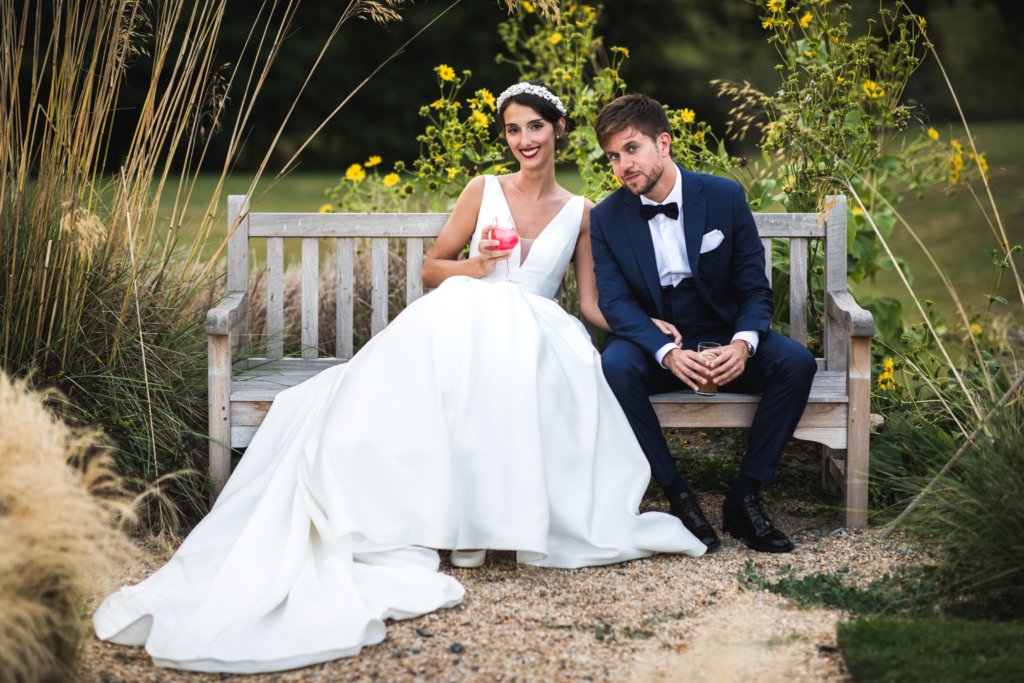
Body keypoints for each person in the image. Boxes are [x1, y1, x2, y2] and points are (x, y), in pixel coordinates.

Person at [92, 83, 705, 674]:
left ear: (558, 131)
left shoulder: (581, 212)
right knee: (436, 374)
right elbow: (434, 270)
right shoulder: (483, 188)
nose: (524, 140)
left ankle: (502, 524)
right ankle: (445, 522)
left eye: (535, 127)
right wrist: (479, 264)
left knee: (534, 363)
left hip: (536, 327)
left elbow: (593, 304)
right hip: (464, 310)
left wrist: (646, 327)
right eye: (513, 129)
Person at [589, 93, 818, 555]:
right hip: (660, 339)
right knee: (615, 367)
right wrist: (665, 352)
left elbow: (754, 286)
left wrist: (742, 346)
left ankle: (746, 497)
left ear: (664, 143)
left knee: (795, 362)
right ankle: (680, 497)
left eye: (631, 149)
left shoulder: (723, 196)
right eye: (613, 156)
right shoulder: (606, 217)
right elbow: (613, 301)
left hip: (722, 330)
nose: (622, 165)